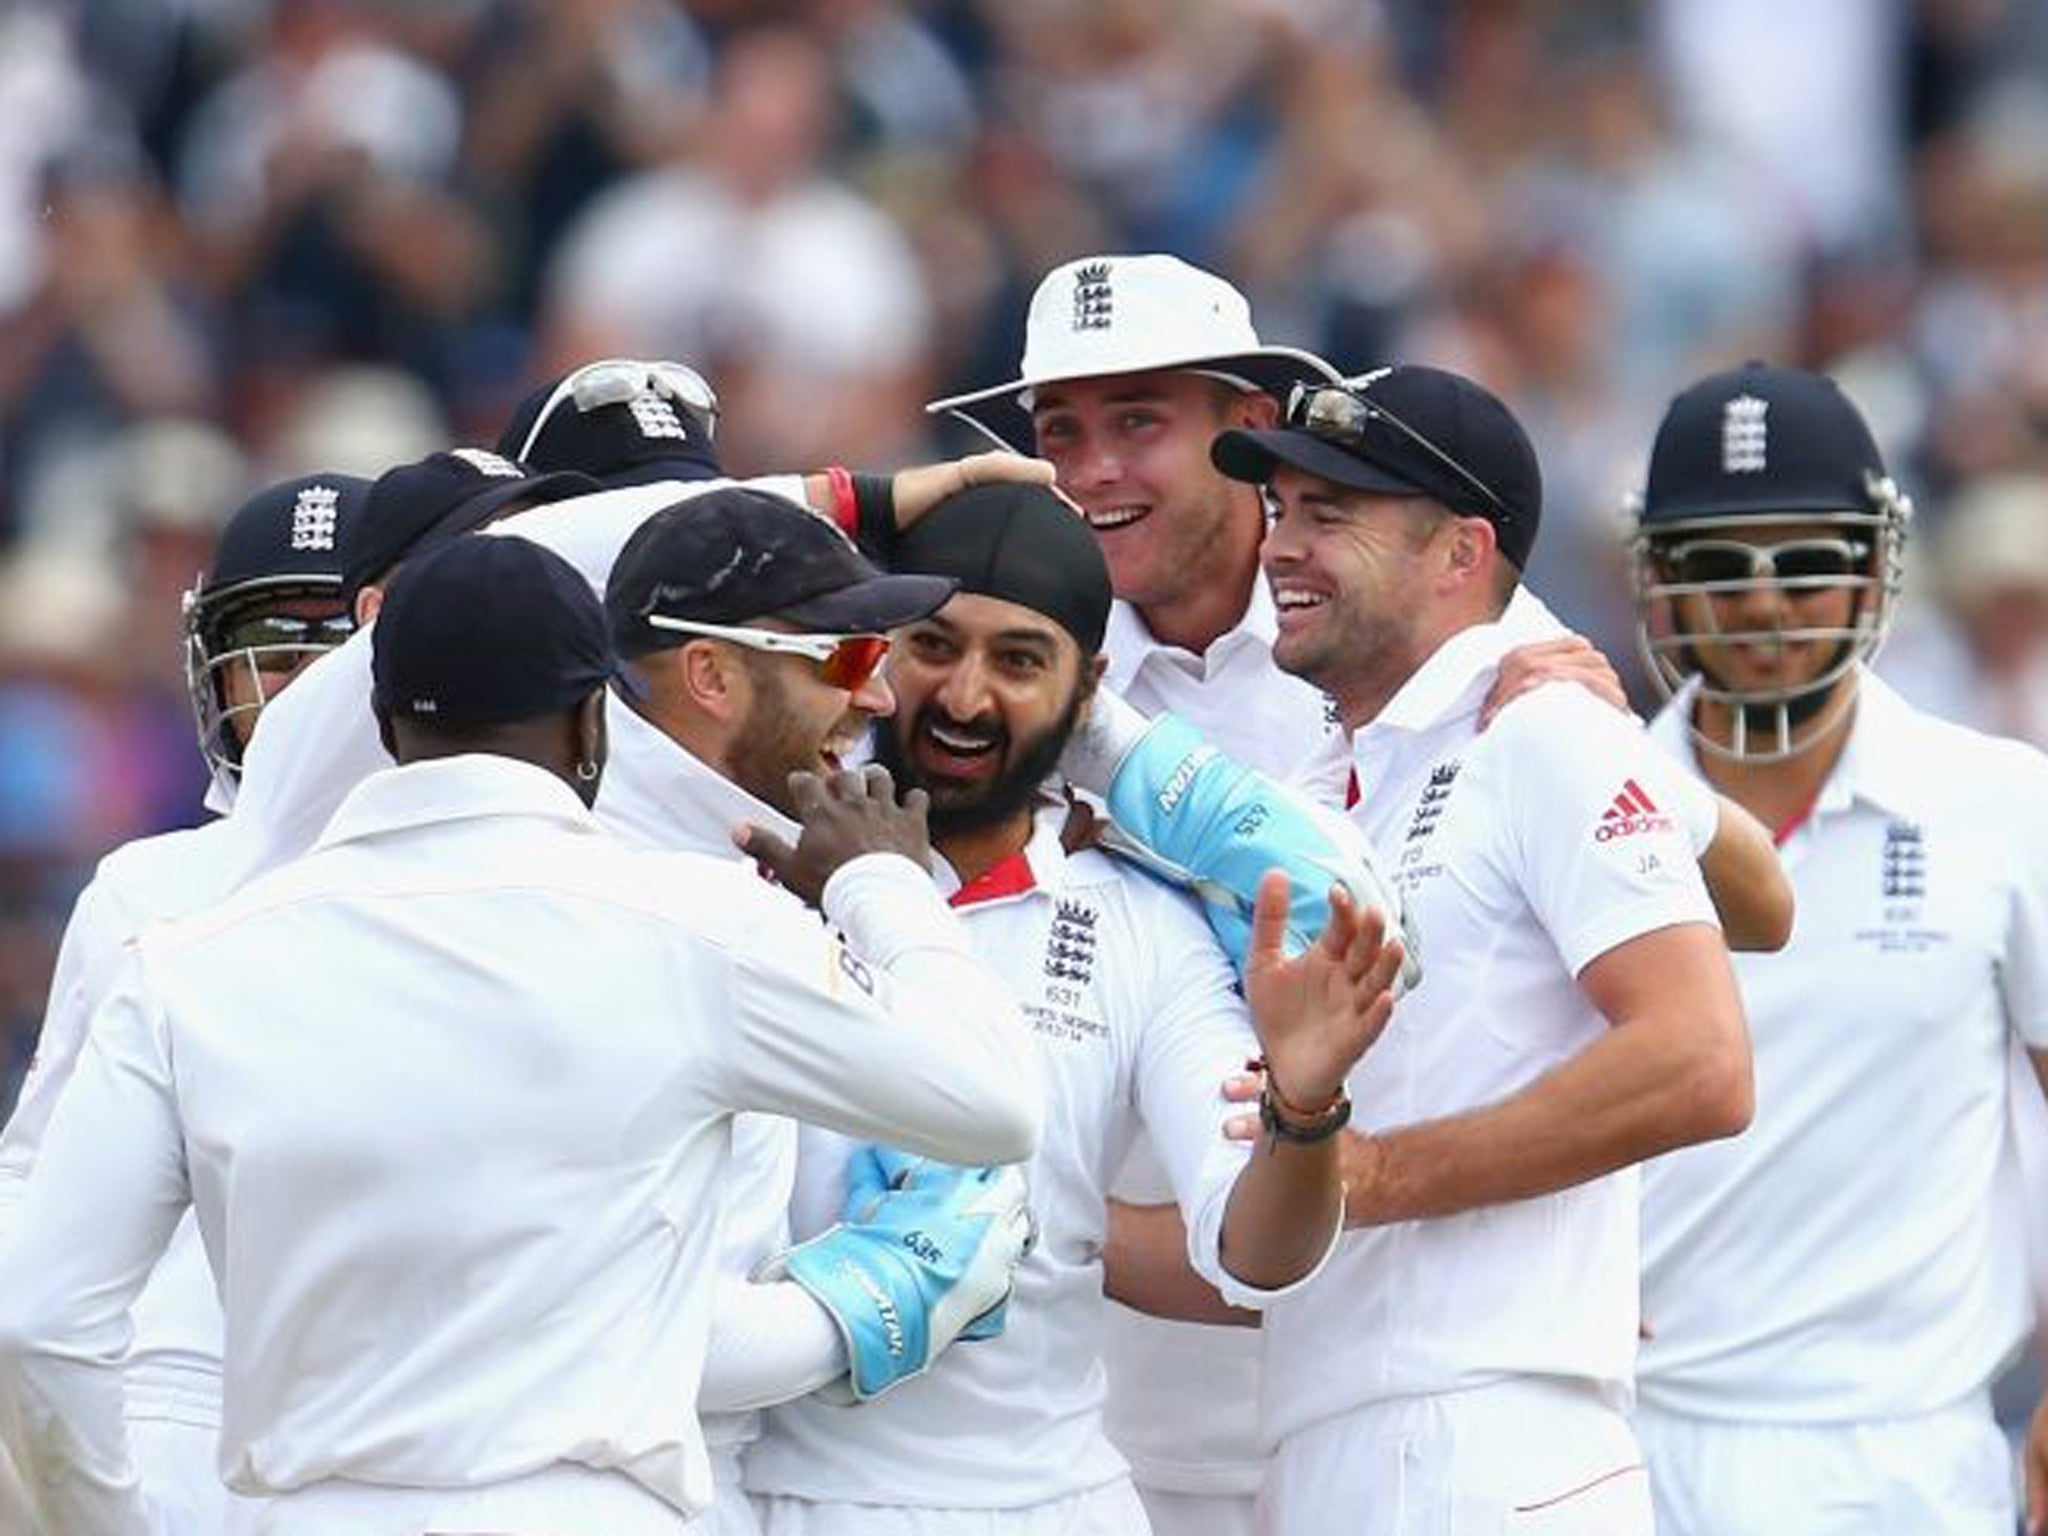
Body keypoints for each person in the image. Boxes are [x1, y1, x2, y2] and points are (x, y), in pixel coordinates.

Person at [929, 254, 1778, 1536]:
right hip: (1131, 1417)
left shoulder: (1449, 658)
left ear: (1238, 431)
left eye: (1138, 421)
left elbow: (1750, 923)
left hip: (1431, 1410)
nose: (1092, 469)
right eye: (1060, 433)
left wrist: (1616, 745)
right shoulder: (1022, 670)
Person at [0, 533, 1041, 1536]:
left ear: (382, 720)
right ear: (592, 722)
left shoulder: (191, 959)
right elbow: (991, 1100)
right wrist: (881, 883)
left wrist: (103, 1522)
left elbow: (40, 1323)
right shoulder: (699, 925)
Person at [746, 481, 1405, 1535]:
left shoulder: (1143, 924)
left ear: (1087, 688)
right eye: (931, 646)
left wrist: (1306, 1102)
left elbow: (1255, 1255)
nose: (962, 698)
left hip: (1043, 1503)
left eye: (1018, 662)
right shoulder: (751, 858)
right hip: (765, 1497)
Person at [1207, 363, 1754, 1533]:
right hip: (1339, 1437)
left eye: (1330, 515)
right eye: (1280, 511)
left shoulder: (1540, 731)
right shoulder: (1317, 791)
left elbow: (1700, 1060)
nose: (1280, 549)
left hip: (1482, 1437)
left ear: (1460, 555)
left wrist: (1372, 1177)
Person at [1624, 362, 2048, 1536]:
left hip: (1904, 1456)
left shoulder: (2005, 803)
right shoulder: (1572, 806)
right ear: (1656, 583)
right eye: (1716, 565)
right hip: (1613, 1443)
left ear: (1873, 566)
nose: (1762, 605)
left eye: (1805, 563)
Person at [0, 471, 367, 1536]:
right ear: (215, 669)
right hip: (171, 1412)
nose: (299, 698)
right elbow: (33, 1166)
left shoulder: (487, 887)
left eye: (334, 661)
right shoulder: (146, 887)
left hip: (382, 1425)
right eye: (274, 658)